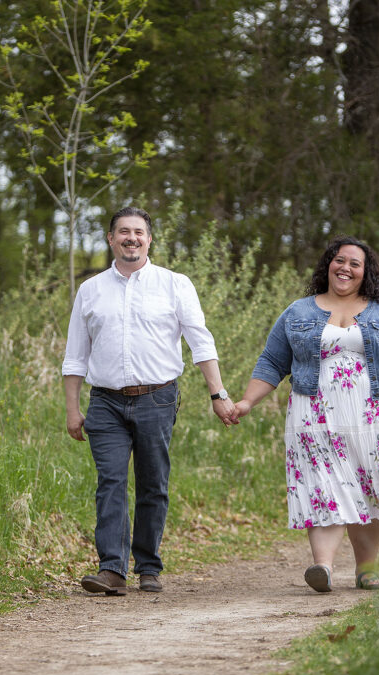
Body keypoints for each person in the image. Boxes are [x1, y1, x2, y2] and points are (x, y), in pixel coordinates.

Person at [235, 236, 379, 592]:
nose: (345, 268)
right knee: (322, 483)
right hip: (314, 416)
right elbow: (272, 361)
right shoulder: (298, 311)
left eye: (354, 263)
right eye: (339, 260)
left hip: (376, 415)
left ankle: (367, 569)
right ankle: (323, 567)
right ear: (328, 264)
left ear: (366, 271)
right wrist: (246, 402)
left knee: (370, 486)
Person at [63, 207, 238, 596]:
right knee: (110, 481)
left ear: (149, 239)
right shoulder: (90, 290)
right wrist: (73, 409)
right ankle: (111, 569)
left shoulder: (175, 285)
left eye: (139, 232)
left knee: (152, 482)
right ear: (110, 239)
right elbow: (75, 354)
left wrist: (218, 394)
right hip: (104, 402)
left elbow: (200, 340)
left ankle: (147, 565)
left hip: (157, 398)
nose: (131, 238)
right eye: (123, 232)